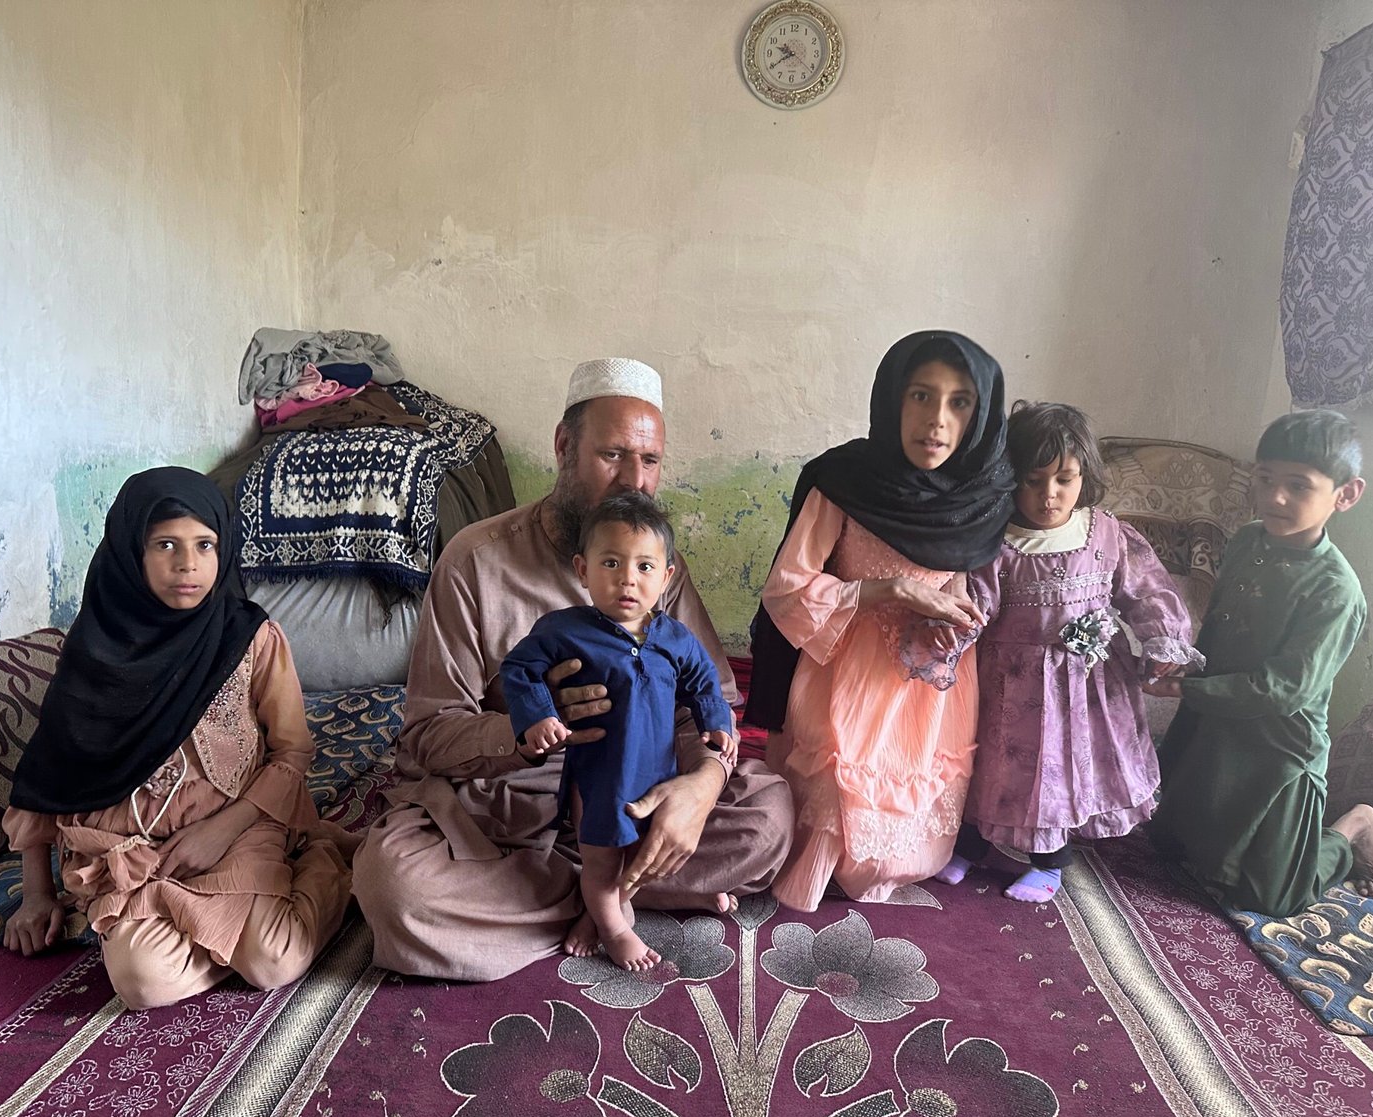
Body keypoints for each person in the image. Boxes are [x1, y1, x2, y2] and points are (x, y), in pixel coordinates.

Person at [352, 358, 793, 982]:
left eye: (650, 462)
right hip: (511, 807)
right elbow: (425, 736)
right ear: (564, 446)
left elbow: (710, 698)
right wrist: (524, 733)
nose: (634, 482)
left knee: (769, 815)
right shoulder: (476, 561)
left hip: (638, 790)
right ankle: (619, 894)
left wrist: (701, 789)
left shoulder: (655, 566)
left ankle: (592, 896)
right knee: (397, 887)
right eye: (613, 455)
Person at [2, 467, 355, 1010]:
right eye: (165, 544)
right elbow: (49, 774)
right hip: (132, 848)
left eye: (205, 545)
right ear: (128, 552)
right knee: (142, 983)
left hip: (234, 828)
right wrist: (36, 893)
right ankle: (220, 923)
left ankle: (319, 853)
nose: (188, 565)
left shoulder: (249, 638)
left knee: (274, 960)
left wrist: (219, 830)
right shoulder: (95, 649)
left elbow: (292, 750)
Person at [745, 331, 1015, 911]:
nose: (936, 420)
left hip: (930, 680)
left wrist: (954, 625)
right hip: (845, 666)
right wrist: (889, 589)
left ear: (982, 411)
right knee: (840, 786)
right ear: (892, 397)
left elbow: (966, 586)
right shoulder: (844, 481)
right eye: (920, 395)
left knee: (912, 774)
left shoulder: (984, 495)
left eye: (959, 402)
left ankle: (897, 862)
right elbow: (786, 588)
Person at [941, 402, 1202, 902]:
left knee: (1062, 772)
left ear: (1086, 476)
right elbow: (973, 608)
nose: (1049, 495)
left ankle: (1050, 862)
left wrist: (1161, 638)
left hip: (1089, 689)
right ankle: (970, 842)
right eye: (1033, 480)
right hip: (1011, 688)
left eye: (1064, 479)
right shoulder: (997, 542)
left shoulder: (1105, 533)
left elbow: (1145, 591)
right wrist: (943, 649)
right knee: (996, 767)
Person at [1147, 410, 1373, 915]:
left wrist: (1190, 691)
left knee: (1271, 897)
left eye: (1299, 485)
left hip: (1279, 744)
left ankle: (1353, 829)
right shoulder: (1246, 541)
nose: (1275, 498)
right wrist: (1186, 667)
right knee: (1168, 846)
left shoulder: (1336, 590)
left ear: (1345, 495)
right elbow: (1217, 629)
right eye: (1265, 480)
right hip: (1214, 721)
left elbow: (1287, 690)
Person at [502, 493, 738, 970]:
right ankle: (612, 927)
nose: (628, 578)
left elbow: (704, 681)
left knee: (656, 845)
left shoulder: (674, 637)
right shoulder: (562, 630)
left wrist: (717, 722)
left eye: (645, 567)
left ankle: (608, 906)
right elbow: (519, 670)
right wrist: (539, 716)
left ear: (667, 576)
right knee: (603, 859)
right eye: (611, 563)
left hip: (662, 777)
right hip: (603, 777)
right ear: (583, 569)